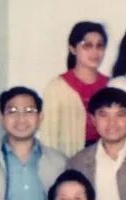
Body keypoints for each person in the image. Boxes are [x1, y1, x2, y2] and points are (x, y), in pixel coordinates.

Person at [40, 21, 111, 156]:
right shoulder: (57, 88)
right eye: (87, 45)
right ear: (72, 48)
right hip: (69, 160)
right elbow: (49, 139)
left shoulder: (111, 85)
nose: (95, 52)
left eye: (99, 46)